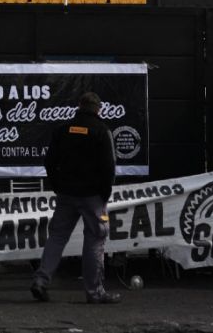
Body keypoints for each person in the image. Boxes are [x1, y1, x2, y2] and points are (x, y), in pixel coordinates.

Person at [31, 91, 121, 305]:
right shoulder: (102, 130)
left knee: (57, 237)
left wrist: (57, 185)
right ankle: (94, 292)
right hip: (92, 196)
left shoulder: (63, 129)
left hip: (66, 193)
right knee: (95, 239)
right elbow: (109, 167)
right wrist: (104, 194)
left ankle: (41, 281)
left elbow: (49, 162)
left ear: (79, 106)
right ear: (98, 109)